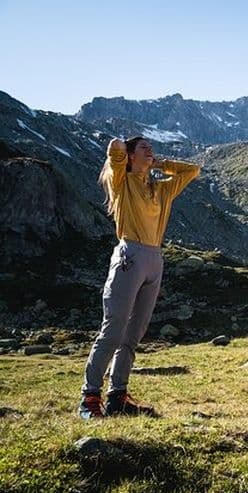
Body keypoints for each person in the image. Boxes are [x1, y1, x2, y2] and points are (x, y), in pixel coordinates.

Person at [78, 136, 201, 419]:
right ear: (132, 156)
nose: (150, 150)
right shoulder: (121, 181)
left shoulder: (161, 188)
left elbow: (192, 170)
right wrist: (123, 150)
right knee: (113, 331)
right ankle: (89, 398)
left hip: (154, 260)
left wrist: (159, 164)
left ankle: (117, 398)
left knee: (133, 335)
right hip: (130, 257)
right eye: (144, 148)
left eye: (151, 148)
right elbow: (115, 150)